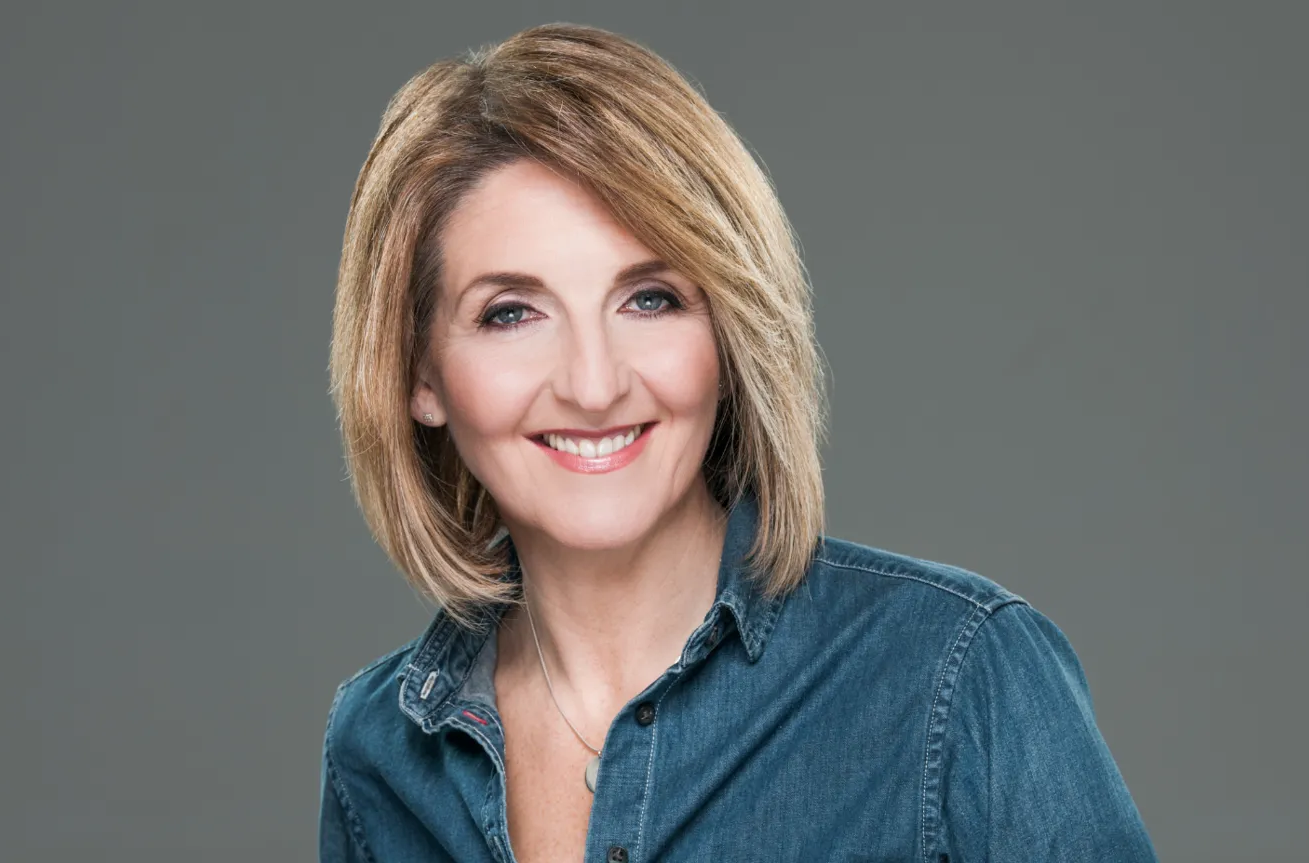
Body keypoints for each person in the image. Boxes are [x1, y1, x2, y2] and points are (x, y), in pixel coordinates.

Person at [320, 22, 1158, 863]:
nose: (594, 383)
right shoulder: (380, 755)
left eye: (649, 298)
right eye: (511, 312)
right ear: (419, 374)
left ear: (728, 334)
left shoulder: (960, 678)